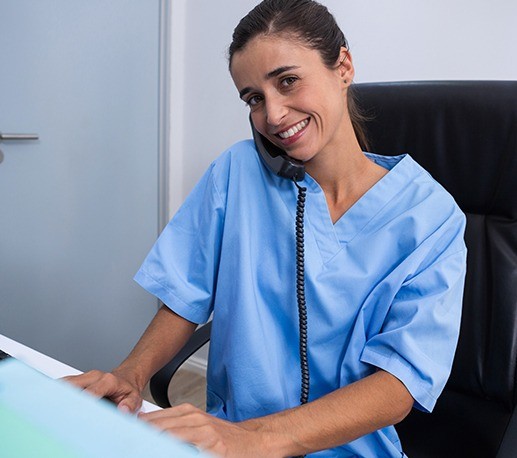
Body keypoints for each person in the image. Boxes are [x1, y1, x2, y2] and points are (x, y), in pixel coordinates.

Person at [65, 0, 467, 456]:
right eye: (254, 98)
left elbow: (399, 384)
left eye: (288, 81)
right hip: (224, 440)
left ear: (343, 66)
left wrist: (253, 438)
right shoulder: (235, 171)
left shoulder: (430, 217)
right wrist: (130, 375)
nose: (273, 116)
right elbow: (183, 298)